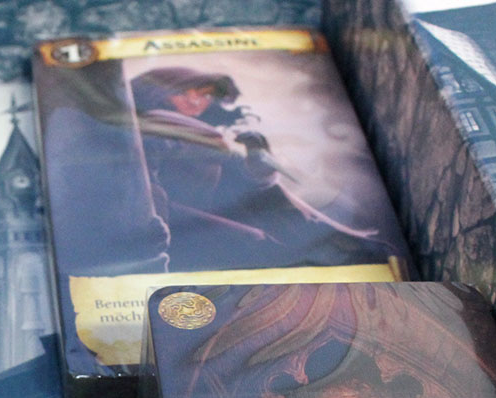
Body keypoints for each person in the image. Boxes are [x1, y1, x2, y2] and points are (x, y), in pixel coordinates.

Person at [129, 67, 382, 271]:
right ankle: (336, 245)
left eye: (204, 95)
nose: (195, 101)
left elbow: (249, 182)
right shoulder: (154, 123)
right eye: (184, 92)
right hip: (171, 219)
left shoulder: (206, 132)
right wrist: (156, 219)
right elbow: (144, 178)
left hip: (208, 205)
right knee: (262, 244)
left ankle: (339, 241)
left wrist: (256, 162)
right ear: (157, 92)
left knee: (276, 205)